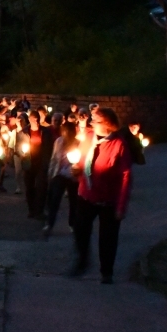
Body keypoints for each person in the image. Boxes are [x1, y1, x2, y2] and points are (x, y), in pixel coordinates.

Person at [69, 108, 132, 284]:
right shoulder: (88, 137)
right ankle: (82, 261)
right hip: (86, 194)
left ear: (106, 124)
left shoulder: (119, 144)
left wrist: (121, 206)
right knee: (80, 229)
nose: (91, 123)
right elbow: (81, 159)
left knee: (108, 237)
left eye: (95, 120)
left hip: (108, 200)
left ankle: (106, 272)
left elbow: (126, 176)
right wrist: (76, 169)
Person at [44, 121, 80, 236]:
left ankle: (72, 224)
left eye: (69, 131)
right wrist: (50, 174)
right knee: (54, 200)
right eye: (65, 131)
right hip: (59, 175)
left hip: (73, 176)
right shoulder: (59, 142)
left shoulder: (78, 143)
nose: (66, 133)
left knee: (73, 201)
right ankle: (49, 224)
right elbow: (54, 158)